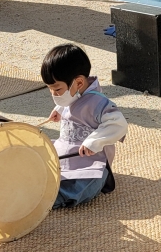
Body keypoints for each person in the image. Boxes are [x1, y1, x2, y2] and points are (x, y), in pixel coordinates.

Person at [41, 44, 128, 209]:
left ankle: (49, 197)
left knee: (85, 185)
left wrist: (94, 141)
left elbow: (119, 124)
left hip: (90, 163)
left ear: (79, 82)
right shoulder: (75, 91)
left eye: (57, 89)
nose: (54, 94)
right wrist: (60, 109)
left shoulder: (99, 103)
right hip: (65, 153)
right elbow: (70, 102)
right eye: (50, 90)